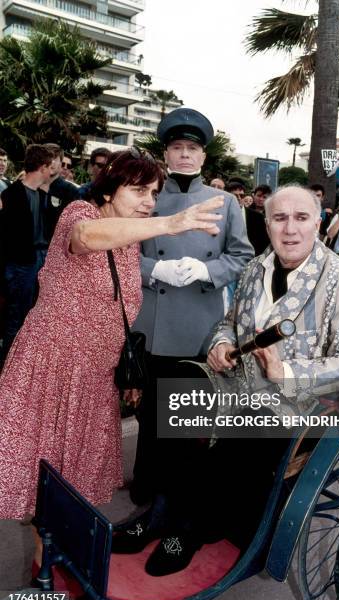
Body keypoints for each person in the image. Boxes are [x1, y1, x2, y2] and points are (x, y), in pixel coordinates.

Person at [113, 185, 339, 577]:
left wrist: (285, 372)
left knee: (244, 426)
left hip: (302, 406)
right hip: (238, 383)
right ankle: (160, 512)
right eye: (279, 218)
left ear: (318, 223)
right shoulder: (255, 269)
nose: (290, 229)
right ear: (265, 224)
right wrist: (219, 343)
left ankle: (191, 528)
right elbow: (228, 323)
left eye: (301, 218)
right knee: (175, 392)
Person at [0, 148, 223, 541]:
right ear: (108, 192)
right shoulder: (81, 213)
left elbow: (116, 307)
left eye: (154, 193)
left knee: (68, 491)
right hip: (53, 371)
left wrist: (125, 366)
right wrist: (171, 223)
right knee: (42, 485)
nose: (149, 202)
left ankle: (52, 570)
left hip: (94, 378)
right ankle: (46, 577)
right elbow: (86, 239)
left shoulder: (128, 241)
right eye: (139, 191)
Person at [128, 108, 254, 506]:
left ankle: (178, 490)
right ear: (166, 153)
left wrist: (206, 268)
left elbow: (242, 257)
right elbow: (124, 253)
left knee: (186, 411)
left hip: (200, 321)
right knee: (149, 411)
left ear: (203, 157)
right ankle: (146, 479)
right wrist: (156, 268)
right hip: (153, 319)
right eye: (177, 147)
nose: (185, 154)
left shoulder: (225, 202)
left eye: (192, 148)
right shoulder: (147, 197)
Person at [0, 144, 56, 360]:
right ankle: (9, 366)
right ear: (43, 167)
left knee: (34, 316)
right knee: (17, 318)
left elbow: (51, 227)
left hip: (40, 261)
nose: (52, 172)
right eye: (50, 167)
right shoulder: (12, 195)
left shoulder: (42, 195)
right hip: (21, 265)